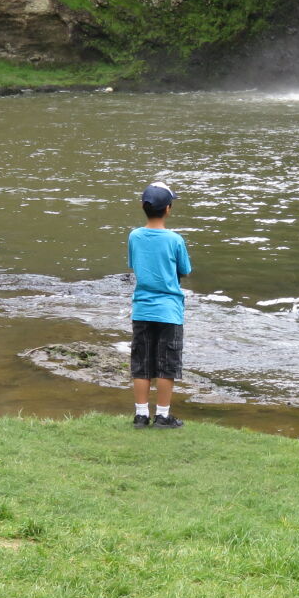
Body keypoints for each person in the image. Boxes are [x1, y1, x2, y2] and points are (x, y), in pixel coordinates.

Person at [127, 181, 192, 429]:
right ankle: (163, 416)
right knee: (167, 365)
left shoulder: (134, 235)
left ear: (143, 207)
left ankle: (141, 415)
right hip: (169, 311)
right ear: (168, 209)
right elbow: (184, 270)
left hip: (142, 308)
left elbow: (134, 264)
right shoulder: (175, 239)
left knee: (141, 363)